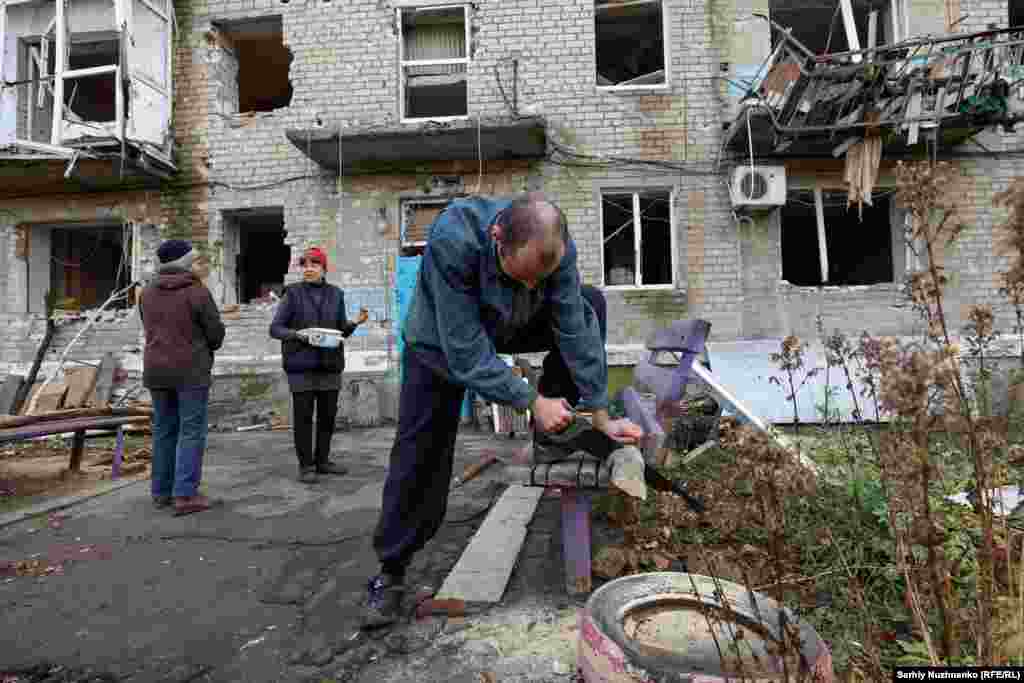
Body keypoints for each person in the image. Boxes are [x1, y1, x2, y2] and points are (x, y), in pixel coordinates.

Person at [362, 193, 644, 628]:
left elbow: (574, 327)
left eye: (540, 280)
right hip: (440, 339)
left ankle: (556, 439)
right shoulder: (452, 238)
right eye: (524, 276)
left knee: (591, 305)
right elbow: (466, 353)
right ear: (497, 239)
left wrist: (600, 412)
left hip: (511, 322)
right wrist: (531, 401)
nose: (533, 287)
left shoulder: (556, 248)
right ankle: (392, 571)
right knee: (421, 451)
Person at [140, 239, 226, 517]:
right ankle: (186, 495)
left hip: (156, 370)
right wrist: (202, 348)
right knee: (191, 431)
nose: (195, 261)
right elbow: (215, 334)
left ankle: (161, 492)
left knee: (165, 430)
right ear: (185, 261)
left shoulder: (147, 292)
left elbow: (148, 327)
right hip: (191, 371)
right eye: (192, 257)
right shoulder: (197, 291)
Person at [270, 247, 369, 483]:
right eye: (305, 265)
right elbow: (276, 329)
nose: (309, 269)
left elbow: (339, 330)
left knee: (327, 417)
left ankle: (322, 461)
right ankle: (306, 466)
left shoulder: (336, 294)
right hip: (301, 365)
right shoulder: (292, 294)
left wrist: (355, 322)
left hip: (329, 364)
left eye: (314, 265)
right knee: (303, 418)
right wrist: (299, 334)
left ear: (324, 269)